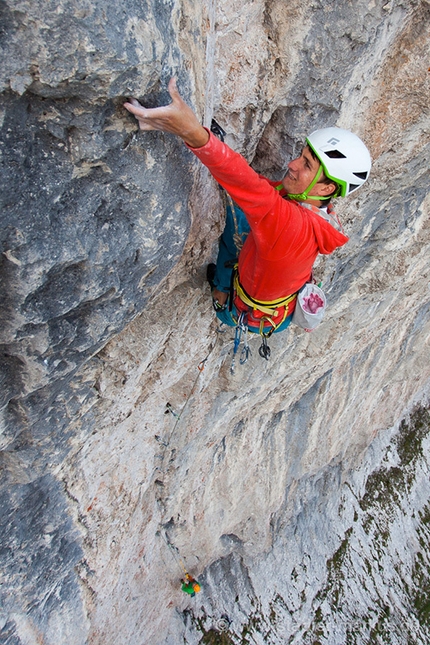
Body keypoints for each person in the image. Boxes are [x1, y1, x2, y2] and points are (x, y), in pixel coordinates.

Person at [124, 79, 371, 350]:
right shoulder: (321, 211)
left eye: (307, 165)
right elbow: (264, 192)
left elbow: (248, 187)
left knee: (237, 221)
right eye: (301, 155)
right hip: (278, 302)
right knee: (246, 217)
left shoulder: (291, 227)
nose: (292, 164)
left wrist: (192, 132)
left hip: (244, 311)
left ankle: (220, 292)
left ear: (327, 187)